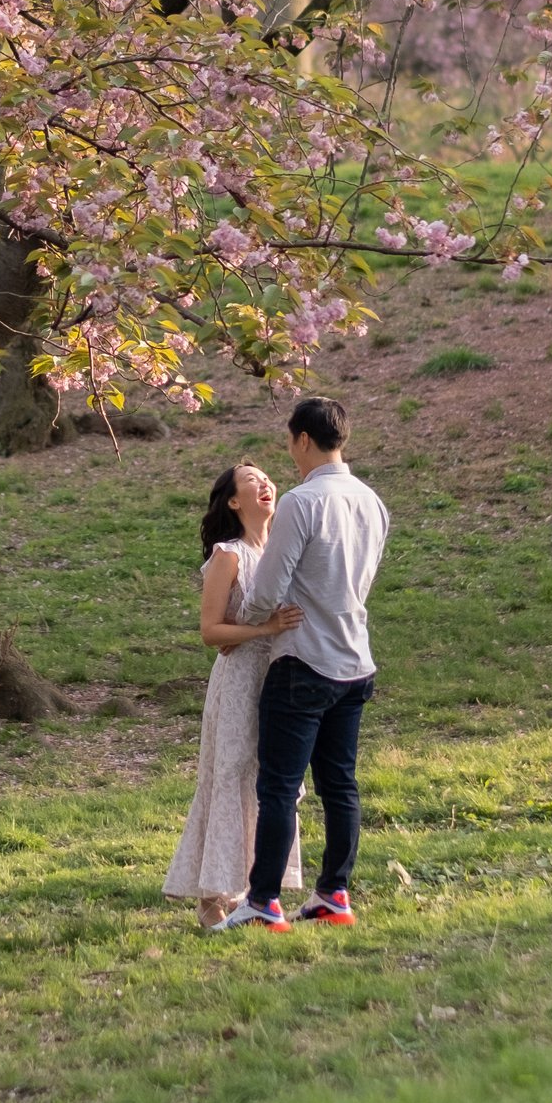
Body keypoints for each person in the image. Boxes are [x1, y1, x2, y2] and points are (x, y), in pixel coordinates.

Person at [216, 396, 389, 933]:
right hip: (355, 659)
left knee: (278, 786)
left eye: (290, 442)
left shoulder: (301, 501)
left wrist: (248, 621)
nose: (290, 453)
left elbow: (268, 588)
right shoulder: (372, 501)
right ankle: (333, 893)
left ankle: (263, 900)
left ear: (304, 440)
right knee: (340, 785)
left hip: (303, 660)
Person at [162, 463, 306, 926]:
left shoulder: (283, 549)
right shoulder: (229, 555)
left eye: (266, 478)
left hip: (280, 675)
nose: (264, 484)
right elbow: (210, 631)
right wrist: (263, 629)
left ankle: (253, 886)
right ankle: (212, 895)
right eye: (251, 481)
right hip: (241, 679)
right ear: (233, 501)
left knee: (272, 778)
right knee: (232, 773)